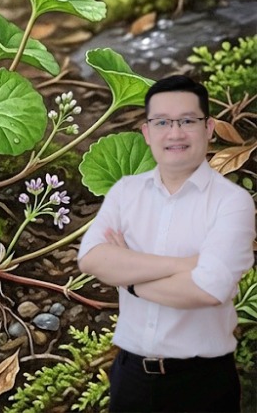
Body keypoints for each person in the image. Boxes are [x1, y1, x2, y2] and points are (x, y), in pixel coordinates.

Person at [78, 74, 256, 413]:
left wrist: (129, 276)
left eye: (187, 121)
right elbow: (91, 259)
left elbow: (208, 289)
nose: (174, 133)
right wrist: (183, 265)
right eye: (162, 122)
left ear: (209, 128)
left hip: (202, 382)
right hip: (131, 377)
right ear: (146, 132)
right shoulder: (125, 193)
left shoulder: (231, 202)